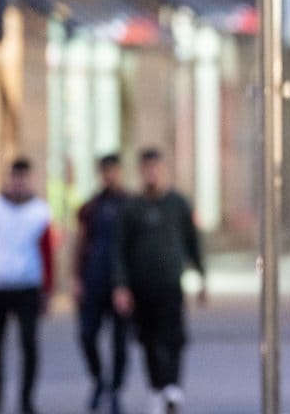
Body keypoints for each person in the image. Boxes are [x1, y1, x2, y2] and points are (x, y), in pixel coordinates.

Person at [113, 149, 207, 414]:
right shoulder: (132, 208)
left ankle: (172, 387)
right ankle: (156, 387)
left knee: (173, 337)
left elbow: (192, 242)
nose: (151, 174)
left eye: (155, 168)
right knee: (148, 339)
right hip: (142, 286)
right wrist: (121, 284)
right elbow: (120, 248)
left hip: (170, 284)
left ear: (163, 170)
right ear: (141, 172)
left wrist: (201, 275)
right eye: (147, 168)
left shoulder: (177, 203)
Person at [0, 158, 53, 414]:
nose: (19, 183)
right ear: (9, 178)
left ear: (30, 179)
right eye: (15, 177)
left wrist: (47, 289)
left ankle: (26, 398)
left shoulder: (40, 211)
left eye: (23, 178)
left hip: (27, 285)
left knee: (29, 343)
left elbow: (47, 254)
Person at [74, 153, 130, 414]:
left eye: (113, 170)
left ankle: (116, 390)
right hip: (94, 281)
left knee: (120, 342)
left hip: (120, 284)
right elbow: (81, 243)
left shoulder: (130, 205)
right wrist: (77, 278)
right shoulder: (91, 207)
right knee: (87, 336)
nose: (110, 176)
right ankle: (99, 380)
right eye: (105, 171)